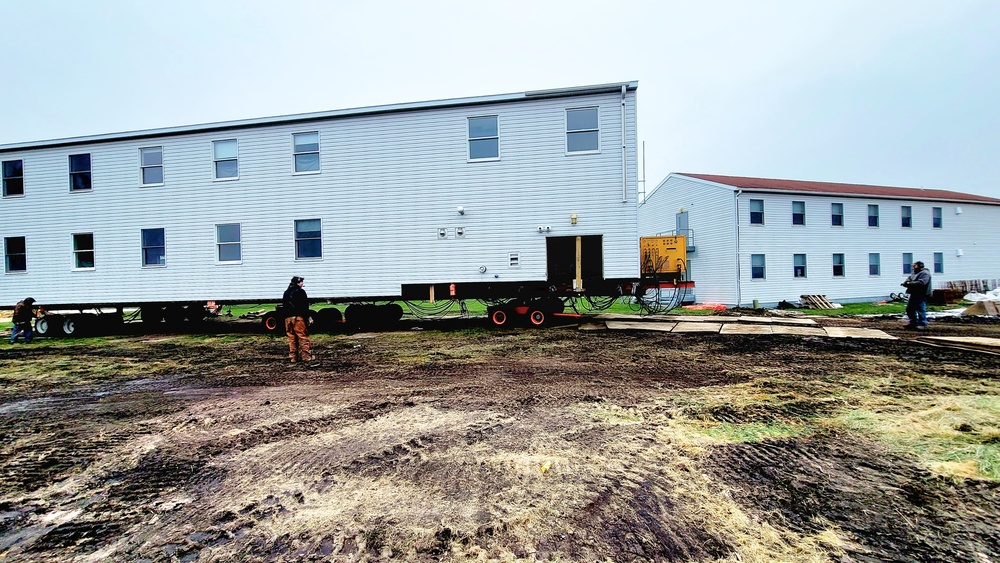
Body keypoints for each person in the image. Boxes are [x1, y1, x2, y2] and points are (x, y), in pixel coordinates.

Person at [282, 276, 313, 362]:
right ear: (297, 283)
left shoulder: (286, 292)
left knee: (292, 338)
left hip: (288, 318)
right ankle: (306, 356)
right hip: (298, 318)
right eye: (301, 282)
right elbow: (304, 306)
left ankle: (293, 357)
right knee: (302, 336)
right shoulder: (301, 292)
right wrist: (308, 317)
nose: (302, 284)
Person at [901, 261, 932, 329]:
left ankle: (922, 324)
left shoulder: (925, 273)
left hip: (921, 294)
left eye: (915, 266)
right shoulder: (914, 273)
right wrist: (906, 283)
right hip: (914, 293)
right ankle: (913, 323)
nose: (913, 267)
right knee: (910, 309)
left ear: (920, 266)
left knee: (920, 309)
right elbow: (909, 279)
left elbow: (922, 282)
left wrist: (910, 283)